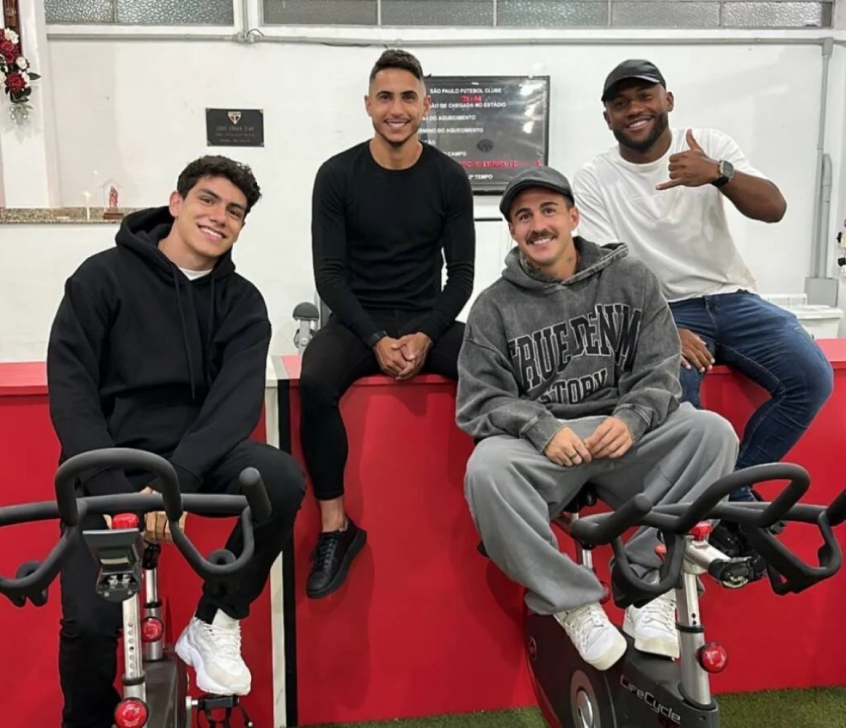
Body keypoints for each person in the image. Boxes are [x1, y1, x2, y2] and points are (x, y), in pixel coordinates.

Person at [47, 155, 306, 728]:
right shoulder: (101, 277)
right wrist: (120, 497)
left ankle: (214, 620)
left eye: (235, 211)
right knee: (90, 624)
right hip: (105, 464)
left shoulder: (241, 302)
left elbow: (235, 404)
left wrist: (176, 483)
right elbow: (71, 389)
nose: (220, 217)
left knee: (281, 479)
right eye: (208, 200)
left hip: (194, 459)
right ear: (176, 203)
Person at [456, 165, 739, 671]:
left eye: (548, 211)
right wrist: (540, 428)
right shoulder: (493, 307)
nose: (537, 225)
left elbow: (660, 371)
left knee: (712, 432)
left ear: (573, 216)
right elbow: (479, 401)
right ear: (513, 231)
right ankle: (572, 602)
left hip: (624, 435)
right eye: (523, 217)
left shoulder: (632, 278)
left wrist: (633, 418)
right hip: (549, 447)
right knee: (487, 470)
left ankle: (650, 584)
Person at [572, 59, 833, 560]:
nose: (635, 110)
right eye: (620, 103)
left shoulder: (709, 145)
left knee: (811, 378)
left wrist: (719, 175)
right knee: (682, 409)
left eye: (645, 97)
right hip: (663, 308)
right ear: (607, 117)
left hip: (733, 297)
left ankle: (727, 498)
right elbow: (607, 269)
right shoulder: (595, 177)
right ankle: (714, 518)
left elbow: (774, 208)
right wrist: (661, 327)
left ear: (668, 100)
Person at [301, 48, 475, 599]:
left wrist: (425, 332)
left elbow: (462, 275)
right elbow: (329, 275)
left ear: (425, 105)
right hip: (356, 320)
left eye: (407, 97)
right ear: (368, 106)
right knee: (316, 380)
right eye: (385, 97)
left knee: (495, 369)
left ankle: (504, 510)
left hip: (429, 317)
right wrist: (375, 337)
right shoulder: (336, 175)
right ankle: (336, 528)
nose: (395, 108)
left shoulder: (449, 177)